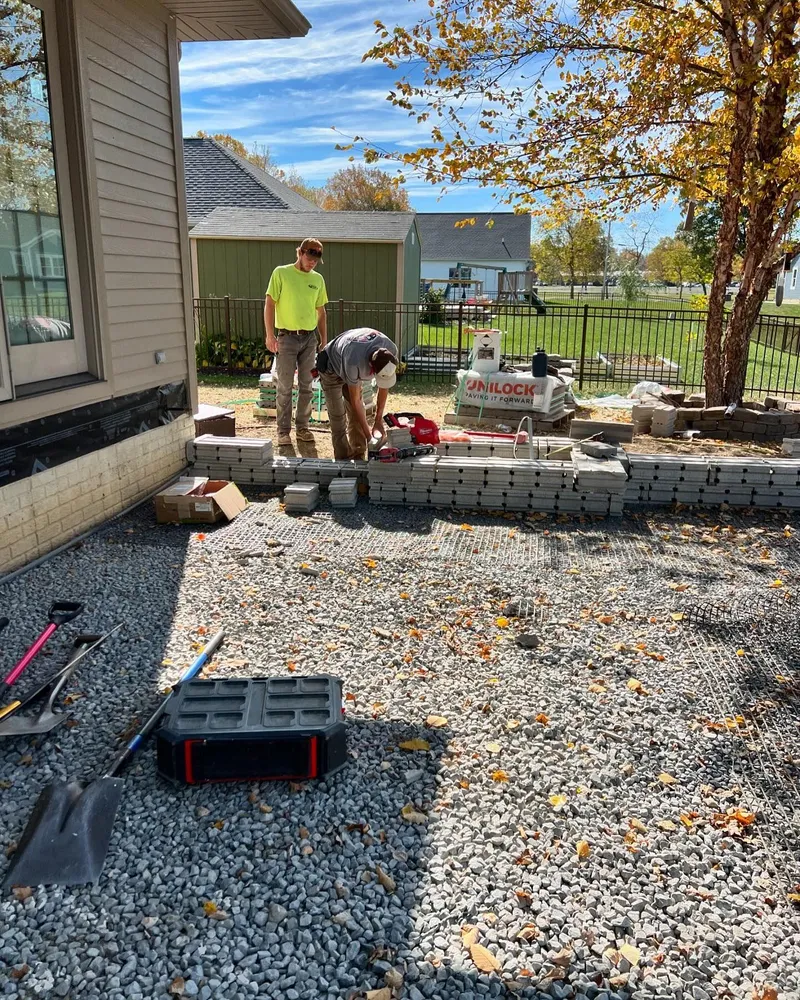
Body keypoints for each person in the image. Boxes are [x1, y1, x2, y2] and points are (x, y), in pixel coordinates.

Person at [264, 238, 329, 446]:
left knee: (307, 386)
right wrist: (269, 335)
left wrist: (323, 339)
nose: (312, 263)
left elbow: (321, 312)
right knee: (284, 386)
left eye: (315, 260)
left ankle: (302, 428)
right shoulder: (281, 273)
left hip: (309, 339)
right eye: (309, 258)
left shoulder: (318, 280)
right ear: (300, 253)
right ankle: (283, 432)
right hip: (286, 338)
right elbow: (269, 304)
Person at [316, 329, 398, 460]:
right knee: (338, 418)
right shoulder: (354, 361)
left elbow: (384, 387)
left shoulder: (391, 350)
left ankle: (358, 454)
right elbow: (356, 401)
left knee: (356, 416)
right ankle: (342, 460)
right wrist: (369, 437)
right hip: (331, 369)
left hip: (348, 355)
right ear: (371, 367)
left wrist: (378, 421)